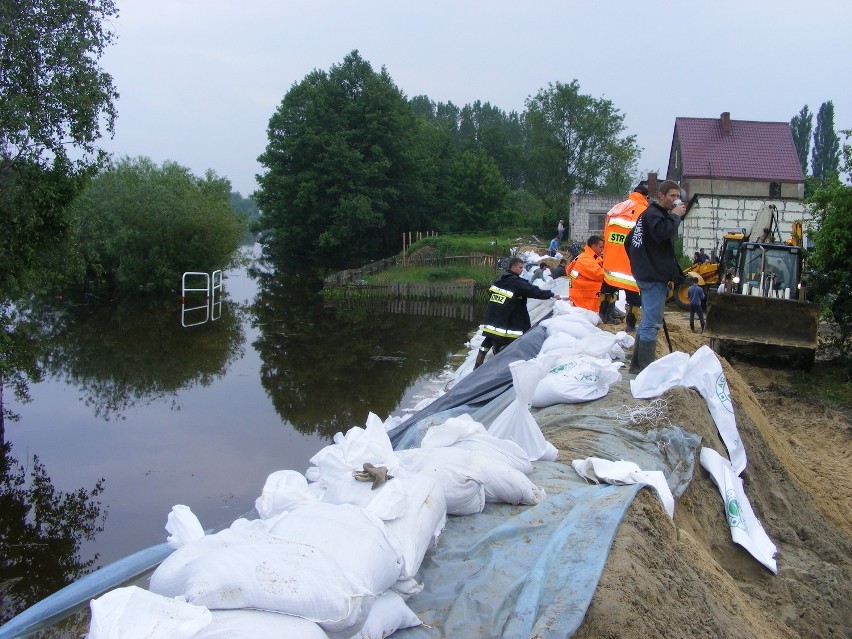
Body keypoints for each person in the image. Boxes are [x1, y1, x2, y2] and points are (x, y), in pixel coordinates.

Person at [625, 179, 688, 373]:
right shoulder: (654, 215)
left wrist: (641, 263)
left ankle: (637, 366)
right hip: (652, 277)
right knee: (651, 324)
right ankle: (645, 369)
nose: (676, 200)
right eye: (672, 196)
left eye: (678, 196)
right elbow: (662, 233)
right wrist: (675, 217)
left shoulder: (649, 215)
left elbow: (629, 241)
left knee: (646, 322)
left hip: (647, 274)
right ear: (661, 195)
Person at [474, 257, 561, 368]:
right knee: (512, 340)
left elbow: (492, 294)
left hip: (492, 316)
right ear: (513, 267)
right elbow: (533, 291)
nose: (522, 270)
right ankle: (507, 364)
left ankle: (478, 364)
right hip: (507, 319)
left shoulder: (499, 279)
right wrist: (551, 294)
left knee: (490, 339)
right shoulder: (516, 282)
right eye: (520, 267)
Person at [600, 182, 648, 330]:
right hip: (630, 263)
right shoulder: (645, 211)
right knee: (633, 296)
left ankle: (603, 317)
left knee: (607, 289)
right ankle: (631, 326)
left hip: (611, 262)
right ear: (646, 196)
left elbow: (606, 234)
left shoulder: (616, 208)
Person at [568, 235, 605, 313]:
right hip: (583, 294)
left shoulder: (590, 257)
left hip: (581, 290)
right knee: (608, 287)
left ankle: (609, 309)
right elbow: (599, 275)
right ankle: (606, 311)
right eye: (601, 247)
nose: (602, 249)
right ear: (594, 246)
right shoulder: (585, 259)